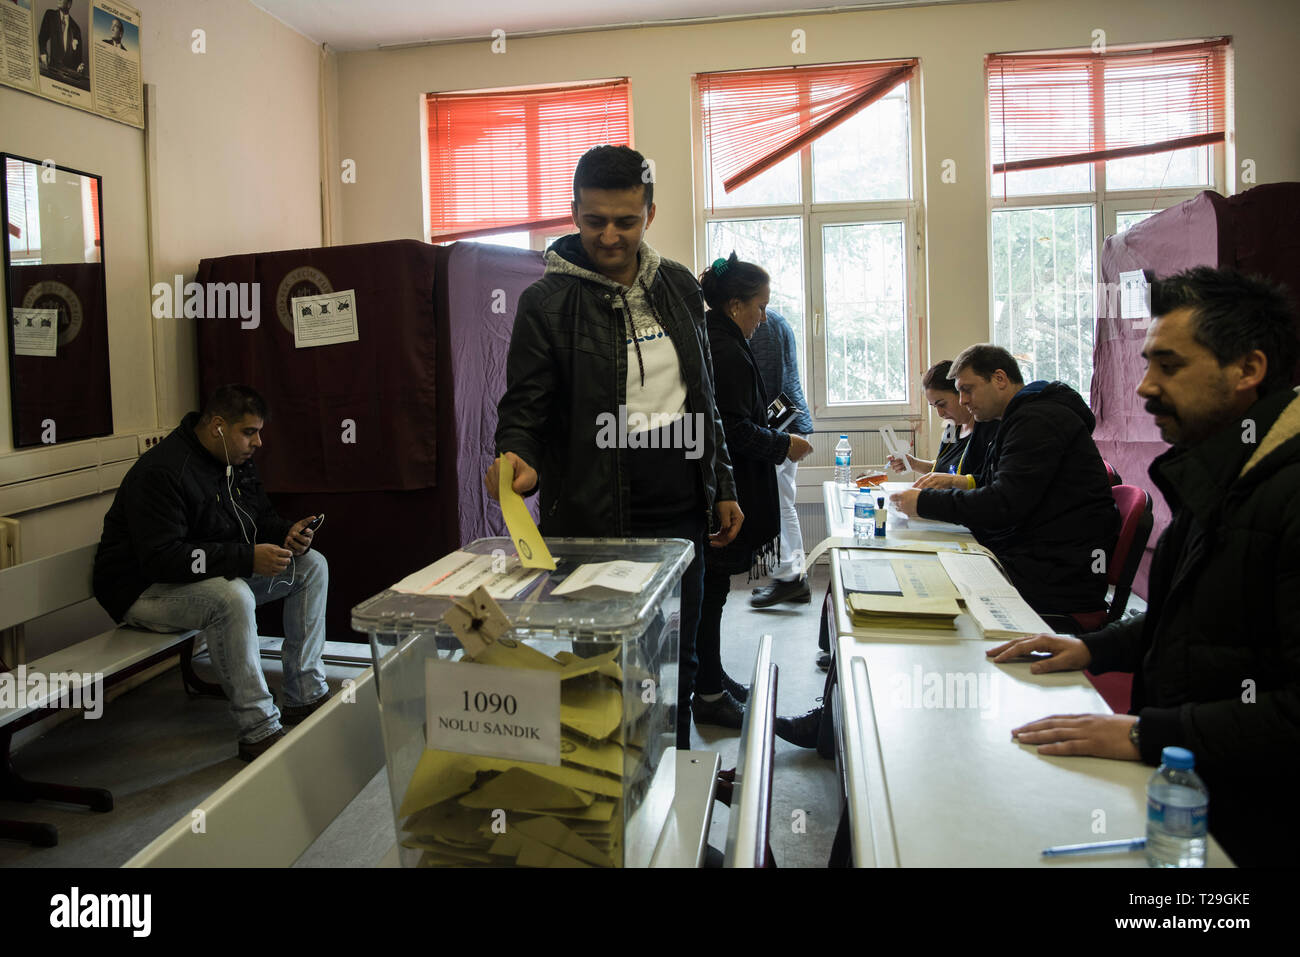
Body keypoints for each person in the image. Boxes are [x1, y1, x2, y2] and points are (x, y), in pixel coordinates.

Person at [990, 266, 1300, 867]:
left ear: (1249, 370)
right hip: (1195, 789)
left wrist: (1144, 733)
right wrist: (1091, 649)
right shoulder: (1220, 470)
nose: (1144, 387)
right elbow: (1185, 623)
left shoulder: (1284, 490)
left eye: (1170, 365)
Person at [487, 145, 742, 750]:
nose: (609, 235)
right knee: (608, 673)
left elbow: (702, 396)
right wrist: (517, 450)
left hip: (681, 510)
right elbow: (526, 402)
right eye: (594, 219)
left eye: (625, 221)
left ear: (649, 214)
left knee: (676, 664)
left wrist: (724, 485)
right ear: (573, 212)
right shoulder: (546, 303)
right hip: (594, 513)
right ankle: (616, 807)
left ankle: (676, 790)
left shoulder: (679, 286)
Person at [92, 385, 331, 761]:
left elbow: (259, 518)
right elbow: (162, 559)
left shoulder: (234, 461)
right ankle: (259, 728)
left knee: (311, 566)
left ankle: (304, 693)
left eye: (259, 432)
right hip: (142, 590)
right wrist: (245, 559)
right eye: (249, 432)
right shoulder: (162, 471)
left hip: (198, 577)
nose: (258, 442)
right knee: (231, 597)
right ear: (218, 426)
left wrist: (285, 532)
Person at [889, 344, 1118, 623]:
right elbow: (996, 485)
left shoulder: (1038, 421)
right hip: (1043, 556)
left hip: (1059, 575)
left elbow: (1002, 503)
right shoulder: (1017, 419)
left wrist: (923, 503)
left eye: (967, 389)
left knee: (932, 583)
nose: (962, 401)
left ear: (999, 379)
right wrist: (950, 489)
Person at [692, 255, 813, 728]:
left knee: (712, 593)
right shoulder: (724, 350)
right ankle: (708, 693)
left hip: (721, 483)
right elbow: (735, 429)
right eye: (759, 307)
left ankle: (711, 677)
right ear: (735, 304)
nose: (764, 318)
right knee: (711, 593)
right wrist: (785, 442)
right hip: (724, 490)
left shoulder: (717, 338)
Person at [747, 306, 815, 609]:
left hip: (781, 427)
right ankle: (791, 577)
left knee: (780, 504)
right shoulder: (771, 319)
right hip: (786, 424)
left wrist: (763, 435)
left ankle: (792, 578)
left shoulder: (762, 324)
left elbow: (769, 382)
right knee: (783, 503)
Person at [887, 359, 997, 486]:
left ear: (961, 393)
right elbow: (946, 469)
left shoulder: (988, 430)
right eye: (934, 406)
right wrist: (914, 464)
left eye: (942, 404)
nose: (940, 413)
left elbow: (988, 483)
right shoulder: (951, 428)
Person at [38, 0, 84, 75]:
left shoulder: (76, 28)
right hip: (53, 69)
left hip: (69, 73)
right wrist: (43, 53)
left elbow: (79, 57)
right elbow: (42, 38)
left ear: (69, 4)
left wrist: (79, 66)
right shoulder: (50, 15)